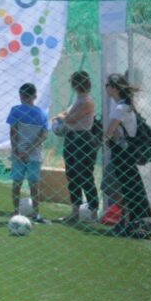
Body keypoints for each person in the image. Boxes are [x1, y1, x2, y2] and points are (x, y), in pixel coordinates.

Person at [103, 73, 151, 235]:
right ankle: (129, 221)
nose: (106, 88)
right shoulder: (123, 105)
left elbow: (109, 133)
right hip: (124, 153)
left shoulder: (120, 108)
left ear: (114, 88)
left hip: (123, 154)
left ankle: (131, 222)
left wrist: (103, 137)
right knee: (125, 186)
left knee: (125, 187)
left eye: (107, 85)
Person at [51, 70, 99, 224]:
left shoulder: (87, 101)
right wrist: (62, 116)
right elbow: (67, 114)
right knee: (72, 175)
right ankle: (75, 212)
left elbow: (71, 119)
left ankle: (93, 212)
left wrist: (60, 117)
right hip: (71, 139)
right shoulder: (78, 99)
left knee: (85, 175)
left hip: (83, 140)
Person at [6, 82, 49, 223]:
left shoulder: (16, 110)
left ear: (21, 95)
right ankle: (36, 214)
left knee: (16, 183)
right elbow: (43, 135)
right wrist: (29, 150)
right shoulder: (42, 113)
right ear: (35, 96)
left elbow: (13, 132)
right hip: (34, 154)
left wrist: (16, 151)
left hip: (18, 153)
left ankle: (15, 212)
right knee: (34, 185)